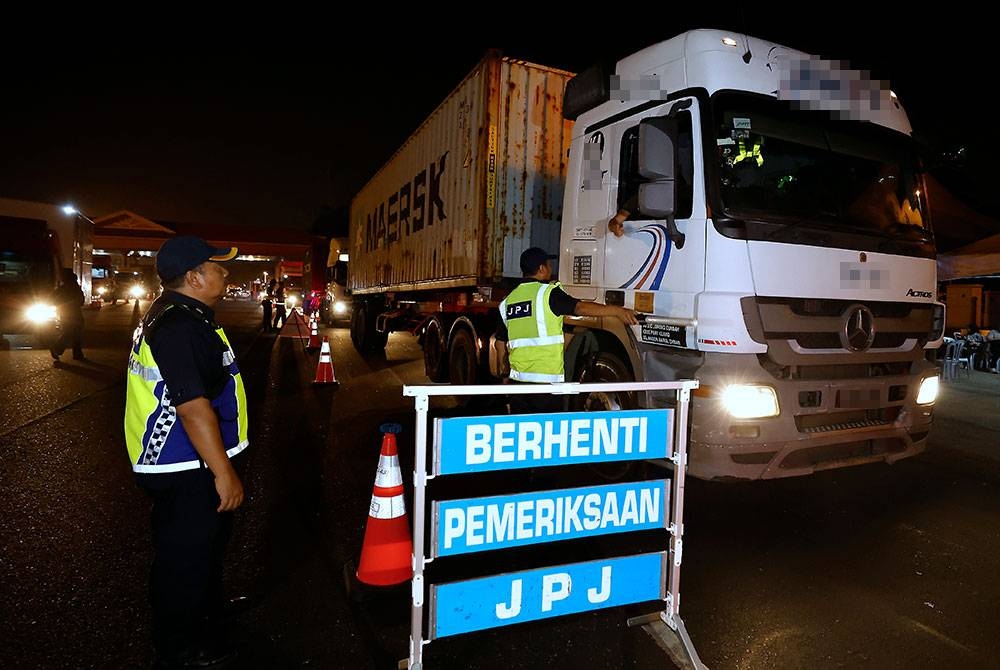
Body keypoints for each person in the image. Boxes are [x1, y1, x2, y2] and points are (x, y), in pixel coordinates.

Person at [124, 235, 248, 669]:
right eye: (218, 267)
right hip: (183, 461)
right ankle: (179, 645)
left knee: (202, 547)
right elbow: (192, 408)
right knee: (185, 555)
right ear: (194, 276)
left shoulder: (184, 314)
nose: (226, 273)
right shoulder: (181, 326)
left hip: (188, 459)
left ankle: (206, 612)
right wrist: (223, 472)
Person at [494, 247, 638, 414]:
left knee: (522, 433)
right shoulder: (547, 293)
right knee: (549, 433)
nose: (550, 269)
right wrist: (618, 311)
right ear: (541, 268)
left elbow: (499, 344)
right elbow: (581, 308)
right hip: (546, 386)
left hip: (518, 385)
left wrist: (505, 377)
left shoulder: (508, 302)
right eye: (548, 265)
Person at [50, 267, 86, 361]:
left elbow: (53, 299)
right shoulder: (75, 286)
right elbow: (81, 300)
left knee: (69, 332)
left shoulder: (62, 288)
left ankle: (59, 349)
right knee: (75, 333)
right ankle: (71, 352)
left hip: (65, 312)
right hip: (75, 312)